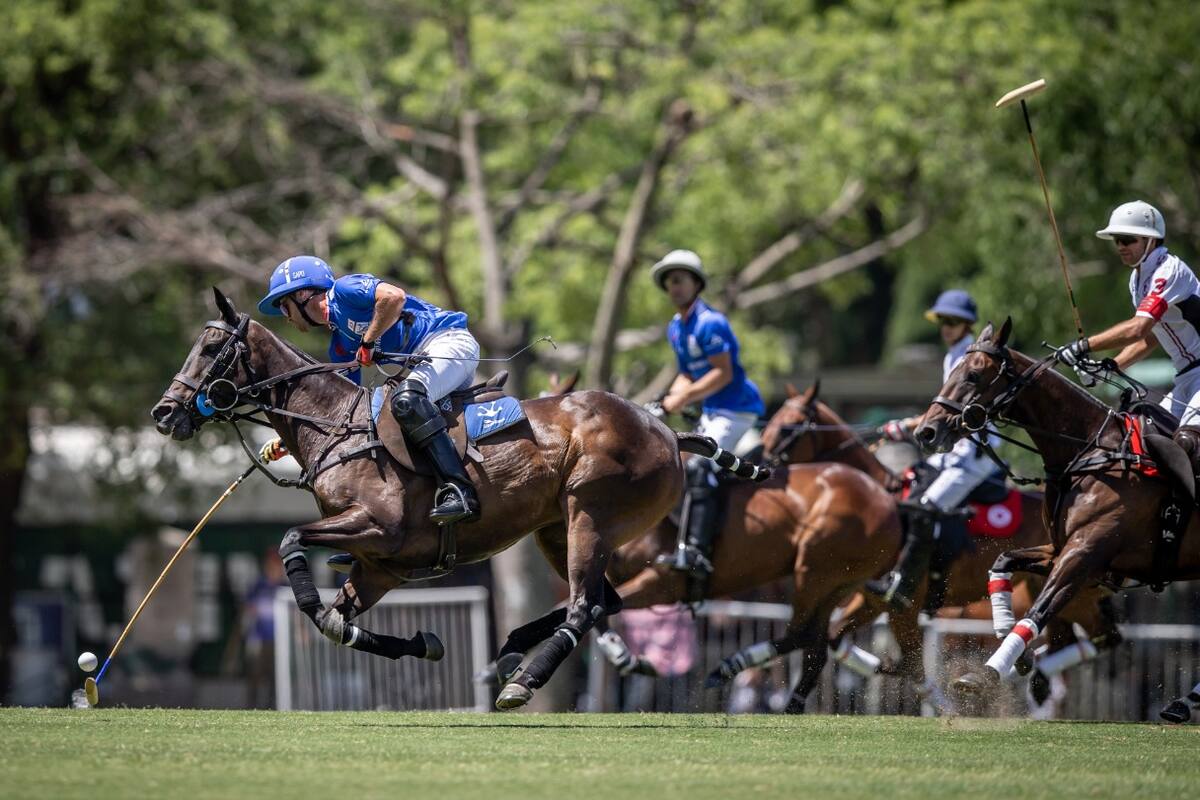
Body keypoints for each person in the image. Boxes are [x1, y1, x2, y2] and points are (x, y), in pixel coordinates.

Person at [256, 256, 481, 524]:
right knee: (374, 423)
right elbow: (340, 412)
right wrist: (287, 441)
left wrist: (368, 341)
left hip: (448, 341)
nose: (286, 317)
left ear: (303, 294)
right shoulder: (339, 345)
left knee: (406, 400)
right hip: (426, 364)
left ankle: (460, 491)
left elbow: (393, 297)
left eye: (284, 306)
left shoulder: (344, 290)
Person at [869, 289, 1004, 610]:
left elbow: (951, 413)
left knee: (924, 507)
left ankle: (905, 584)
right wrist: (907, 425)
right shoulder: (952, 355)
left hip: (974, 456)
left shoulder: (968, 357)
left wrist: (906, 425)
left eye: (953, 321)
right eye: (942, 320)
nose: (946, 326)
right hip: (952, 455)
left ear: (968, 324)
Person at [651, 249, 765, 575]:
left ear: (696, 284)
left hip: (736, 409)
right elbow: (687, 371)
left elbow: (722, 373)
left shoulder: (710, 322)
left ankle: (698, 553)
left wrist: (683, 396)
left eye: (680, 280)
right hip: (713, 411)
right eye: (670, 282)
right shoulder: (676, 327)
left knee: (701, 466)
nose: (674, 287)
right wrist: (669, 397)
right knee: (678, 464)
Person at [1055, 201, 1200, 426]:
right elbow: (1151, 338)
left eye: (1128, 239)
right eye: (1117, 240)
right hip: (1185, 378)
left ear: (1151, 240)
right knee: (1146, 440)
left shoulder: (1168, 271)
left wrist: (1083, 346)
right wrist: (1111, 367)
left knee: (1187, 441)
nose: (1121, 246)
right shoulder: (1138, 279)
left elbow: (1138, 329)